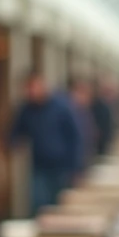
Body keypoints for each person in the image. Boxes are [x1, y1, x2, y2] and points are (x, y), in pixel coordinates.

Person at [8, 71, 84, 213]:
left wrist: (76, 167)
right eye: (28, 88)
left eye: (33, 87)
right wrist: (12, 143)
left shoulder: (61, 106)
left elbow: (76, 137)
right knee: (39, 203)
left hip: (61, 165)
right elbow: (16, 131)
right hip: (39, 165)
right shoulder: (26, 109)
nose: (31, 92)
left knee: (60, 204)